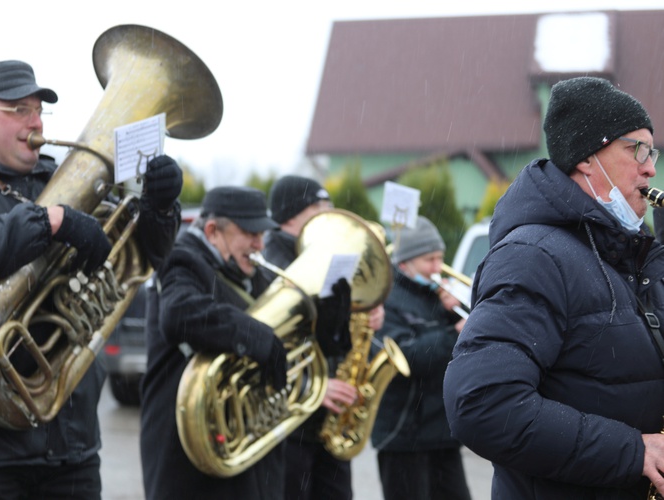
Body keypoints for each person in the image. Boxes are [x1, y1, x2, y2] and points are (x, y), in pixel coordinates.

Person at [0, 60, 183, 499]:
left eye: (39, 111)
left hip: (69, 440)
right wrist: (49, 222)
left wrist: (160, 208)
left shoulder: (55, 178)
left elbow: (138, 258)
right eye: (19, 109)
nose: (36, 122)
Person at [442, 76, 664, 498]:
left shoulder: (631, 256)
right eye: (635, 149)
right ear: (587, 158)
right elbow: (482, 404)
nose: (650, 166)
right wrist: (633, 451)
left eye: (651, 151)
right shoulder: (533, 256)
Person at [140, 185, 286, 500]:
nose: (259, 244)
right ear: (212, 231)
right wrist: (255, 336)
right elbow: (180, 313)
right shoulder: (180, 259)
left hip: (239, 445)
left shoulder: (252, 271)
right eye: (249, 233)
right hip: (187, 453)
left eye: (261, 235)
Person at [264, 175, 383, 500]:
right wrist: (315, 387)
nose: (330, 213)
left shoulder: (318, 254)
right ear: (291, 214)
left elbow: (329, 329)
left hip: (326, 417)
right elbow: (277, 343)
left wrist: (365, 314)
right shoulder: (272, 264)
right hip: (291, 420)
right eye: (320, 206)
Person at [370, 216, 470, 500]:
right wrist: (454, 333)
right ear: (405, 263)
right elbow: (406, 356)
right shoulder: (386, 296)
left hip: (441, 432)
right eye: (430, 260)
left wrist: (456, 310)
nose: (438, 268)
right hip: (403, 433)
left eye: (440, 258)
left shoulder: (435, 294)